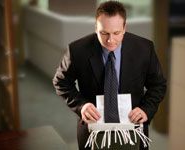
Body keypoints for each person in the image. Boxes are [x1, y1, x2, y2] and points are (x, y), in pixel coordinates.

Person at [53, 1, 166, 150]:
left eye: (116, 33)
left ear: (124, 28)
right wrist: (82, 106)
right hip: (92, 130)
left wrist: (146, 109)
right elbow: (61, 82)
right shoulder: (77, 50)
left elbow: (158, 85)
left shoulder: (144, 48)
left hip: (133, 128)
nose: (110, 40)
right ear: (96, 28)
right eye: (104, 33)